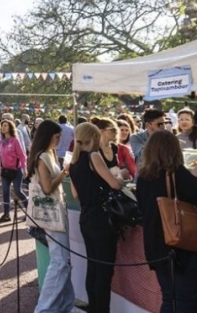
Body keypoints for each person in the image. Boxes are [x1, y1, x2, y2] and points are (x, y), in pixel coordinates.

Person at [136, 131, 197, 313]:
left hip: (156, 245)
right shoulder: (177, 174)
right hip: (181, 246)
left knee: (170, 298)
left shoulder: (144, 176)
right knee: (188, 300)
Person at [69, 123, 123, 313]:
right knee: (104, 269)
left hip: (86, 217)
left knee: (93, 265)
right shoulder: (94, 156)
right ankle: (101, 309)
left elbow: (75, 194)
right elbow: (114, 184)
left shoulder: (73, 163)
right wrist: (121, 178)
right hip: (101, 218)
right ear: (95, 137)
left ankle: (94, 306)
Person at [27, 120, 73, 313]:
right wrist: (64, 173)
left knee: (62, 261)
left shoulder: (45, 155)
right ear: (48, 136)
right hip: (51, 214)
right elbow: (47, 188)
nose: (59, 140)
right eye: (56, 137)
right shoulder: (44, 156)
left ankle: (62, 305)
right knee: (60, 261)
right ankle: (45, 308)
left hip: (51, 213)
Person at [0, 119, 27, 223]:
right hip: (5, 171)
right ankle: (6, 214)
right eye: (2, 126)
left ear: (10, 128)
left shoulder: (15, 140)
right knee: (5, 192)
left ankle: (29, 211)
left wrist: (24, 169)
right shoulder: (1, 142)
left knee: (18, 191)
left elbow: (22, 156)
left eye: (5, 126)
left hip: (16, 170)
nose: (3, 127)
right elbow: (0, 157)